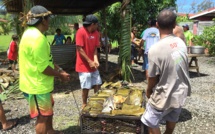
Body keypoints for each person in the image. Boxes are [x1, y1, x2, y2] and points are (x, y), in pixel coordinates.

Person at [19, 5, 70, 134]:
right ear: (43, 20)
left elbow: (45, 60)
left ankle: (50, 130)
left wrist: (59, 69)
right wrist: (60, 75)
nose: (49, 22)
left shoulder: (29, 33)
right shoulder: (37, 38)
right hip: (36, 86)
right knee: (43, 116)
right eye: (48, 19)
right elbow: (43, 68)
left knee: (48, 108)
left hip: (39, 84)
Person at [141, 9, 191, 134]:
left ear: (157, 24)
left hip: (165, 94)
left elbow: (152, 77)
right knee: (171, 119)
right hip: (180, 93)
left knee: (149, 121)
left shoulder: (155, 49)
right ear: (175, 25)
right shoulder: (181, 43)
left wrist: (148, 90)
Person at [75, 14, 102, 109]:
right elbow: (79, 49)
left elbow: (95, 48)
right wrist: (89, 61)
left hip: (92, 63)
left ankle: (97, 101)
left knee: (97, 82)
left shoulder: (96, 33)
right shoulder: (80, 32)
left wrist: (95, 59)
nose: (97, 26)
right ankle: (84, 103)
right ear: (92, 24)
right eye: (97, 24)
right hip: (83, 65)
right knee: (86, 86)